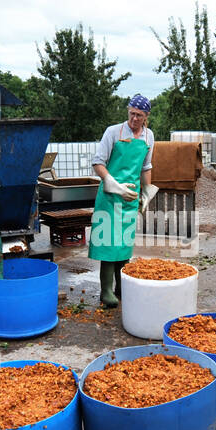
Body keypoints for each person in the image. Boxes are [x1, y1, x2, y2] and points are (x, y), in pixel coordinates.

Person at [88, 94, 154, 307]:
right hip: (109, 196)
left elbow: (146, 167)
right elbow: (98, 163)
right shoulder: (113, 132)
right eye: (132, 113)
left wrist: (147, 193)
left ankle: (121, 286)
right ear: (128, 111)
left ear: (146, 117)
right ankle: (106, 291)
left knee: (124, 244)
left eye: (139, 115)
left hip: (130, 200)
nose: (134, 119)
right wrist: (114, 185)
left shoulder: (148, 136)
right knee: (108, 243)